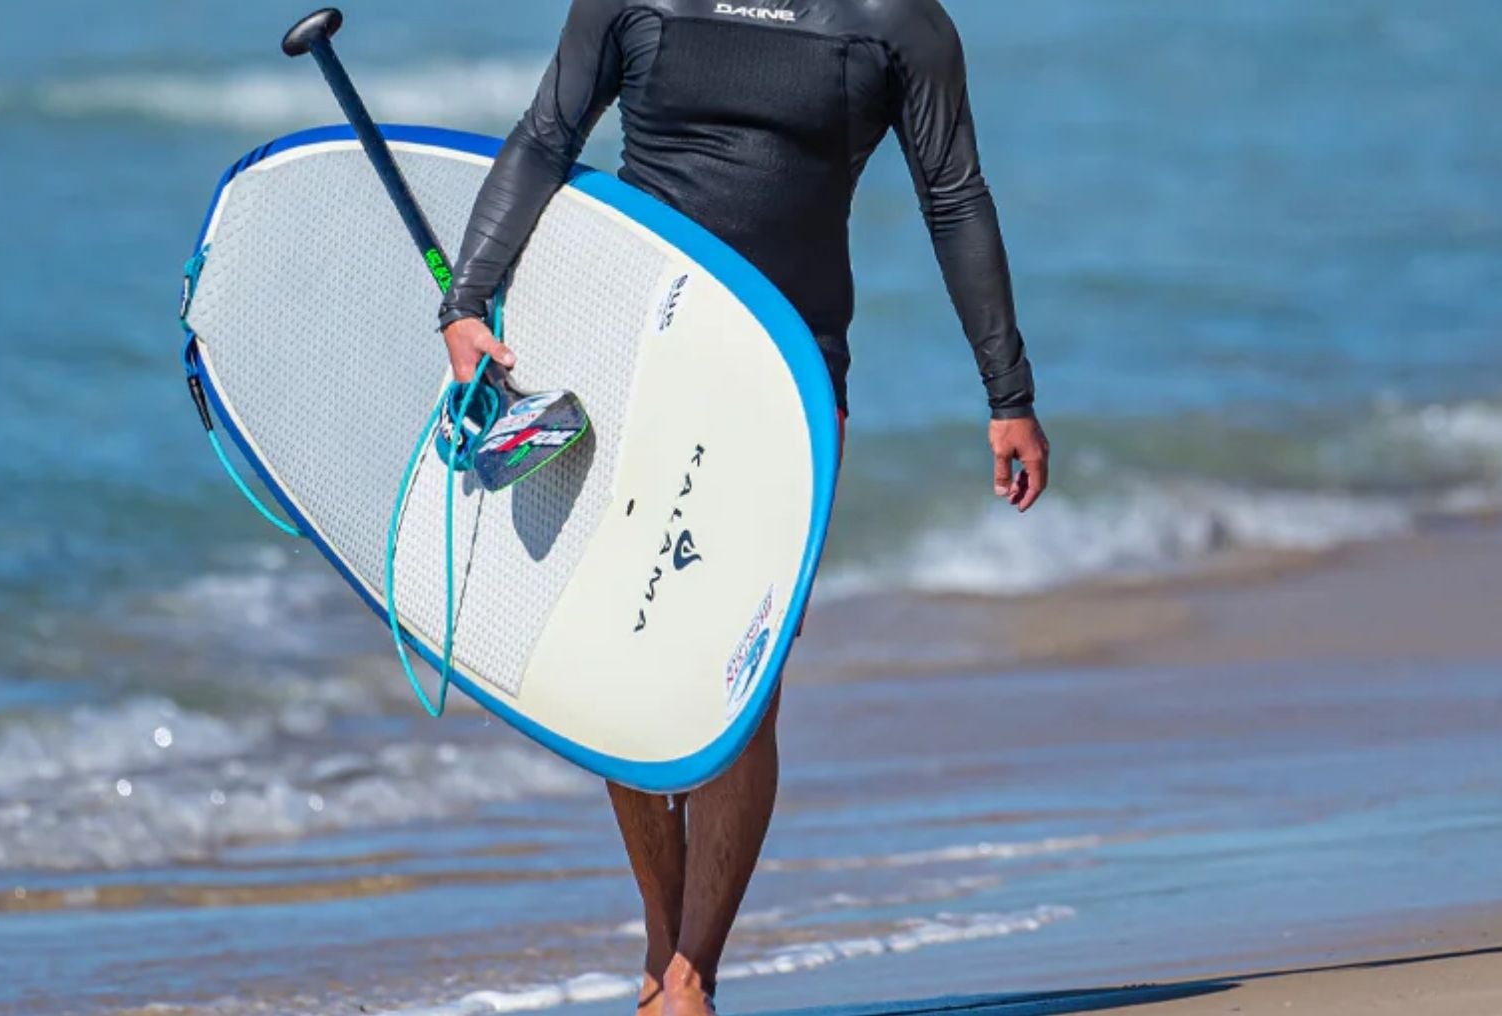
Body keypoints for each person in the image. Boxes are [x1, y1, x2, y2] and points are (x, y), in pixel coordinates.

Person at [433, 2, 1052, 1012]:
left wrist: (1008, 391)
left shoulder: (895, 22)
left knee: (742, 672)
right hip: (634, 355)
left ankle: (693, 971)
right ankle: (661, 945)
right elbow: (547, 136)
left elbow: (954, 197)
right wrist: (467, 299)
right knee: (616, 659)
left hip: (788, 381)